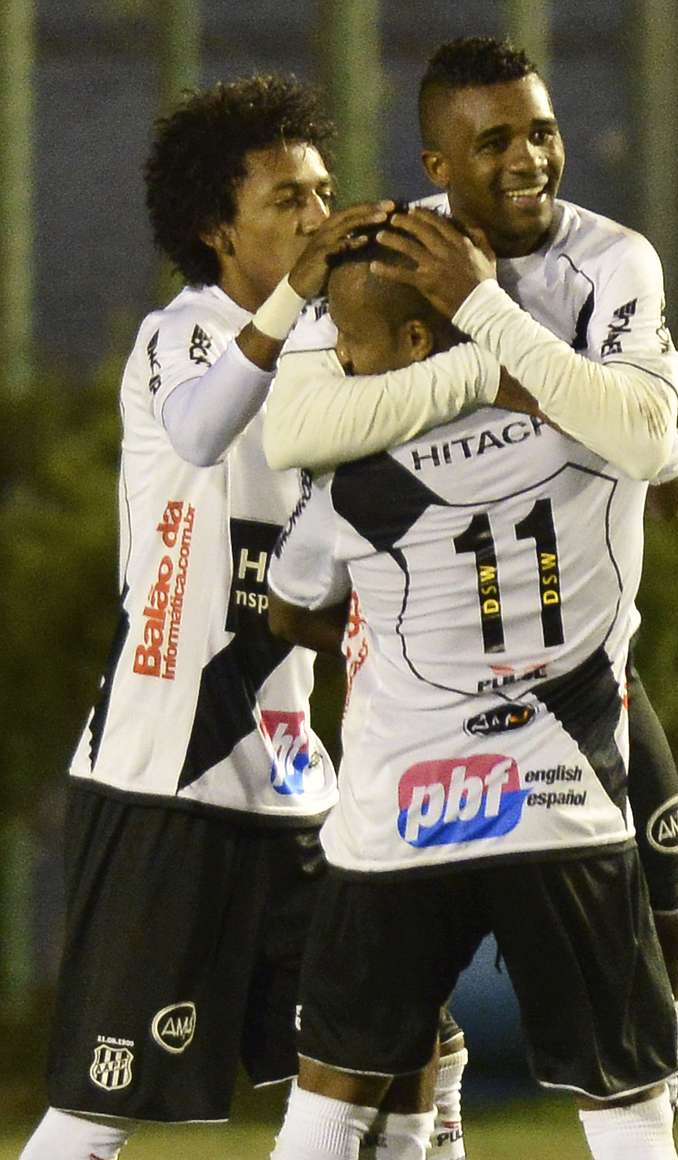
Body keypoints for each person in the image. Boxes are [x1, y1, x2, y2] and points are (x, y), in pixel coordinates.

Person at [263, 32, 678, 1121]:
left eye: (543, 130)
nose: (529, 158)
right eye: (493, 139)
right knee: (397, 1053)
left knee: (675, 909)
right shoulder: (386, 257)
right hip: (512, 696)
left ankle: (632, 1060)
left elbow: (652, 447)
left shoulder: (616, 258)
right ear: (436, 164)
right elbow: (299, 421)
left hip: (586, 669)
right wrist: (498, 379)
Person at [18, 74, 403, 1160]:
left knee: (379, 1067)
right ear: (213, 226)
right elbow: (198, 434)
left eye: (324, 190)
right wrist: (297, 306)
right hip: (164, 773)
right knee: (98, 1112)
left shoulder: (334, 356)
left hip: (295, 782)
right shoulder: (180, 335)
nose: (318, 216)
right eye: (287, 198)